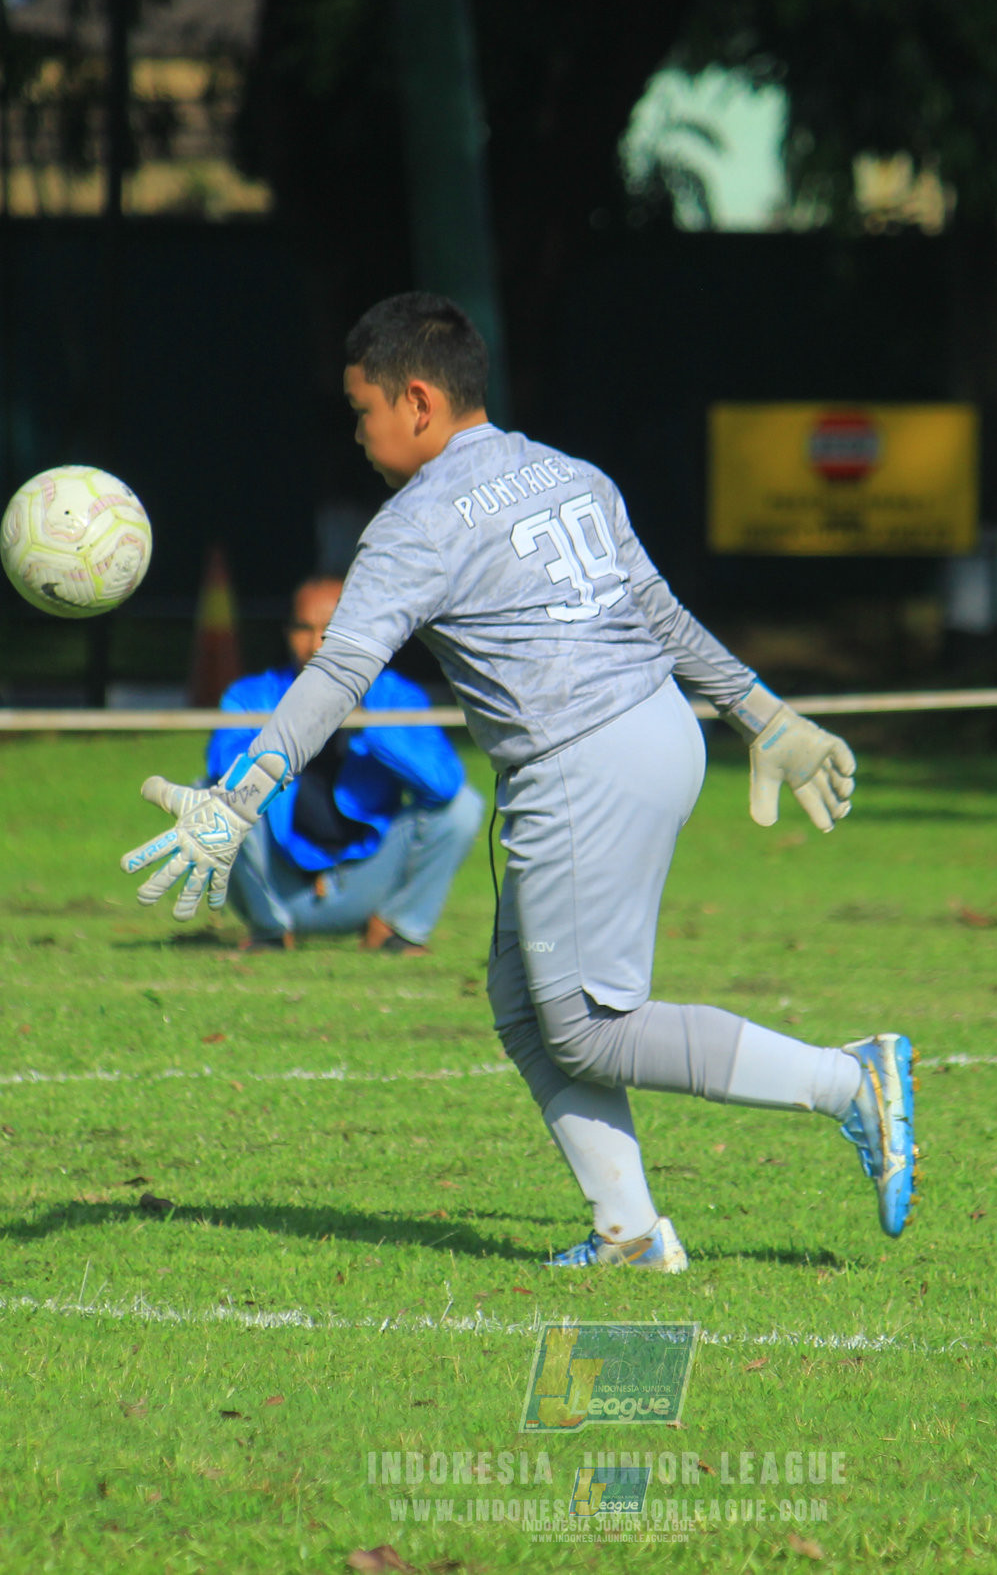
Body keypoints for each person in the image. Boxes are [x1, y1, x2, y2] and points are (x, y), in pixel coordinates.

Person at [122, 293, 917, 1270]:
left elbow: (337, 673)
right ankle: (628, 1231)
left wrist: (236, 797)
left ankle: (848, 1080)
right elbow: (658, 613)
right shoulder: (571, 474)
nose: (358, 435)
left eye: (362, 410)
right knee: (521, 999)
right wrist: (761, 712)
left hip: (581, 762)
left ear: (417, 401)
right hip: (658, 730)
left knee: (588, 1031)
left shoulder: (414, 524)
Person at [207, 576, 484, 955]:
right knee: (214, 797)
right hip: (277, 887)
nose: (316, 644)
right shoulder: (249, 696)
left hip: (367, 884)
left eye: (331, 630)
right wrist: (298, 725)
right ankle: (269, 932)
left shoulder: (396, 695)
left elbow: (445, 785)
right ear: (287, 633)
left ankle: (396, 929)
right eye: (303, 629)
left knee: (463, 806)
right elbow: (225, 775)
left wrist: (365, 722)